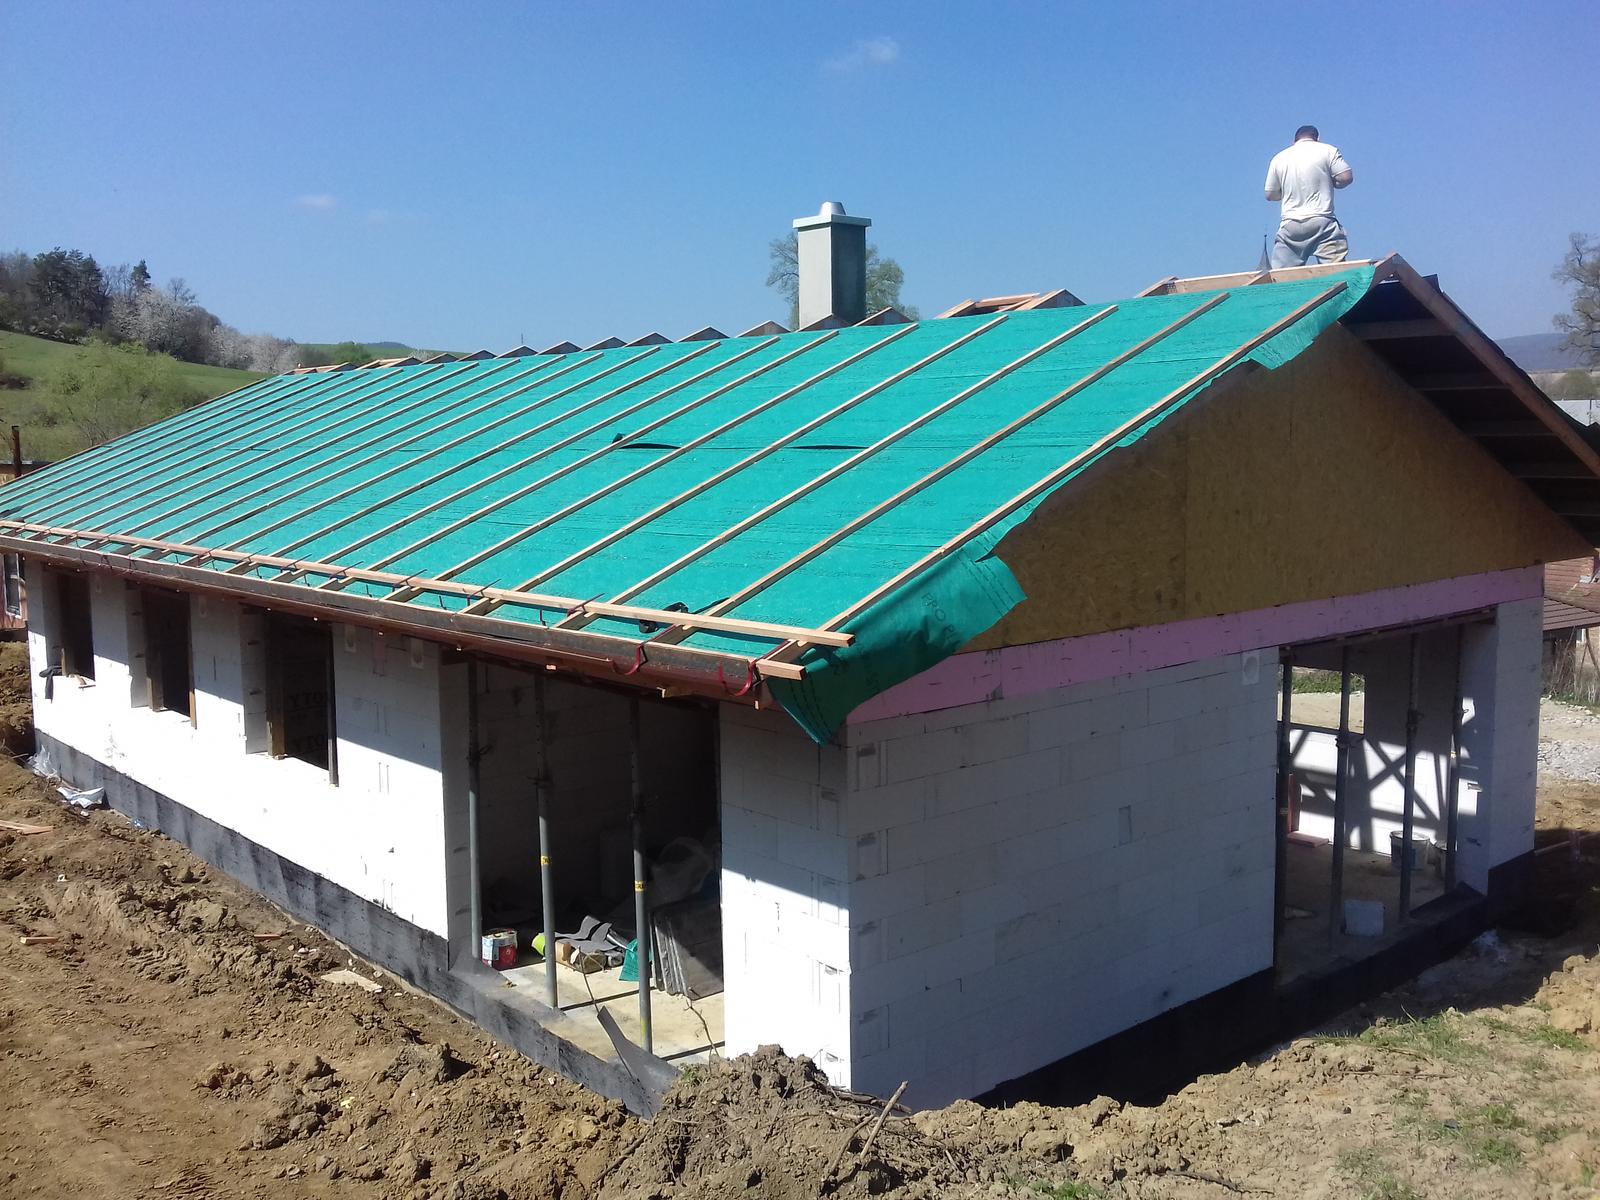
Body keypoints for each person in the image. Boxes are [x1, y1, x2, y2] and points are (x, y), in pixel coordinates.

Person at [1264, 125, 1354, 268]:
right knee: (1335, 273)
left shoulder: (1279, 158)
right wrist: (1332, 182)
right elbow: (1346, 177)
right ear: (1317, 138)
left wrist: (1287, 191)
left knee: (1282, 275)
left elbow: (1270, 194)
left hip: (1290, 225)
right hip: (1322, 221)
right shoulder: (1328, 150)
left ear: (1294, 141)